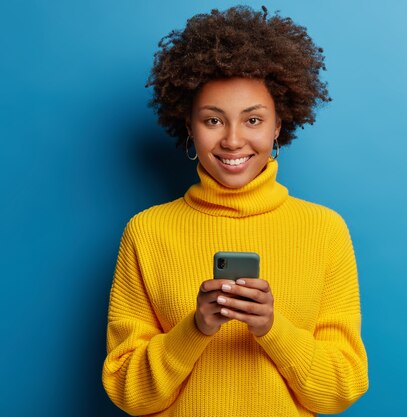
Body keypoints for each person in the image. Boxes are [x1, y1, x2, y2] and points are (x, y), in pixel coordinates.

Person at [102, 6, 368, 416]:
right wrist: (196, 328)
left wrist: (271, 328)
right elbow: (128, 392)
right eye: (213, 120)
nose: (232, 140)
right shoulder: (147, 231)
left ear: (278, 125)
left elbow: (340, 389)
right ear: (189, 125)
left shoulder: (324, 230)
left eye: (253, 120)